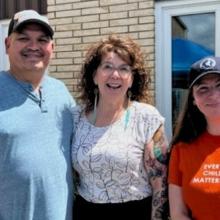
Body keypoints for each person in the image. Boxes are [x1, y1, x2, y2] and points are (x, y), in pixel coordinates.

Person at [71, 34, 169, 220]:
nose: (115, 75)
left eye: (124, 69)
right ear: (94, 76)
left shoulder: (146, 118)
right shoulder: (76, 117)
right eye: (107, 66)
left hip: (134, 213)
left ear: (131, 79)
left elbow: (160, 185)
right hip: (85, 212)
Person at [0, 10, 75, 220]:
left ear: (52, 48)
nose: (33, 46)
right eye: (24, 38)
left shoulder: (62, 93)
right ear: (7, 44)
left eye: (42, 40)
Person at [168, 56, 220, 220]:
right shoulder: (181, 149)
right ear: (193, 100)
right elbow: (178, 213)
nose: (214, 95)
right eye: (203, 88)